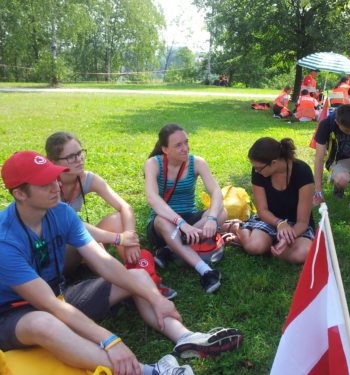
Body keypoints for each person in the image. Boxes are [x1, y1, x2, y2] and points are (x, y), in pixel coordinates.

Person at [0, 151, 243, 375]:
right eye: (44, 184)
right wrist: (109, 339)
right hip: (14, 315)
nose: (56, 186)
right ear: (20, 193)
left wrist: (157, 299)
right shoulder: (5, 240)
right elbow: (50, 306)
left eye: (54, 179)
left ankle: (187, 337)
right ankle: (151, 371)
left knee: (138, 276)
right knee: (44, 323)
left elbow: (104, 262)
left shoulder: (60, 212)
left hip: (59, 297)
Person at [45, 132, 176, 300]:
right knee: (85, 237)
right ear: (54, 162)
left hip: (80, 245)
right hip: (58, 255)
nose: (79, 159)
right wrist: (118, 238)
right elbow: (75, 227)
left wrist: (130, 237)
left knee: (116, 219)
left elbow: (125, 207)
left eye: (79, 153)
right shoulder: (48, 187)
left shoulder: (87, 179)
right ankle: (131, 285)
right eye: (70, 157)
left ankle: (143, 274)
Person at [144, 124, 226, 293]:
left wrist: (211, 219)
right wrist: (181, 224)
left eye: (186, 142)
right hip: (163, 223)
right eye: (178, 145)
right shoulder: (153, 164)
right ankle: (206, 271)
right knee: (162, 221)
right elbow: (153, 199)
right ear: (165, 149)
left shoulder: (197, 162)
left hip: (189, 220)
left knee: (222, 212)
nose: (185, 148)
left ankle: (169, 249)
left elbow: (216, 192)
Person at [224, 138, 314, 264]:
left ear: (274, 163)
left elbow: (303, 222)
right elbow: (262, 210)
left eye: (259, 168)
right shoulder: (259, 172)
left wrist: (287, 238)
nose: (256, 171)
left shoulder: (302, 172)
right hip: (270, 219)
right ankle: (238, 227)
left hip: (296, 225)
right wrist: (279, 223)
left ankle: (265, 244)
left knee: (302, 254)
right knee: (253, 247)